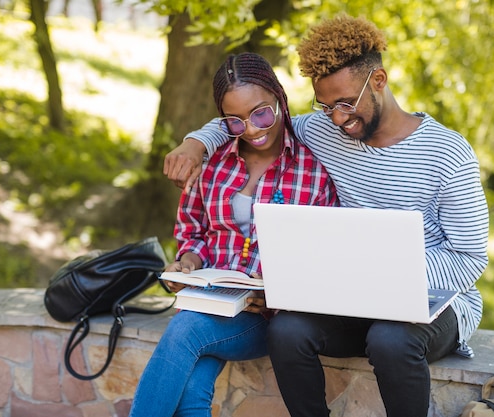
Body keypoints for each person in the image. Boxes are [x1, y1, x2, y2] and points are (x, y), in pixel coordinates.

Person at [163, 14, 489, 417]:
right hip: (352, 297)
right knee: (287, 330)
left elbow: (471, 258)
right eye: (326, 105)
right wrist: (196, 143)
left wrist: (391, 270)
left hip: (432, 302)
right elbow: (250, 119)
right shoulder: (325, 130)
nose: (337, 117)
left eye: (346, 103)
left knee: (391, 339)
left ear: (380, 81)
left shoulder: (448, 154)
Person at [128, 52, 338, 417]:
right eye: (237, 122)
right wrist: (189, 261)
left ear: (279, 98)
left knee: (185, 331)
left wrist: (276, 288)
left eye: (261, 113)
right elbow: (193, 230)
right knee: (192, 390)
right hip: (210, 301)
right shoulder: (212, 163)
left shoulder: (313, 172)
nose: (253, 129)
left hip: (264, 316)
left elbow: (325, 257)